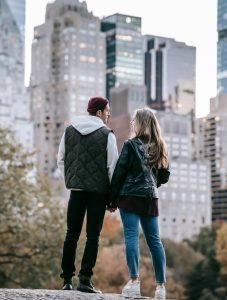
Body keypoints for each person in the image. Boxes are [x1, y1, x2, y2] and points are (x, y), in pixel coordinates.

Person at [57, 96, 118, 293]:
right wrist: (112, 197)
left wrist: (71, 179)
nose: (109, 114)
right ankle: (85, 280)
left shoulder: (69, 130)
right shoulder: (107, 135)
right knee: (93, 236)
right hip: (98, 194)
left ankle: (66, 280)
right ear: (99, 112)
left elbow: (61, 160)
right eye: (107, 110)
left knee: (71, 235)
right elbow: (112, 168)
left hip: (76, 191)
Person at [109, 107, 170, 299]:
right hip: (150, 197)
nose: (132, 123)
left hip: (129, 196)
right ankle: (160, 287)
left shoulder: (130, 144)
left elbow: (119, 173)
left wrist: (111, 199)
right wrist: (151, 184)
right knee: (155, 241)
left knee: (131, 237)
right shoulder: (160, 146)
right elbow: (165, 176)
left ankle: (134, 282)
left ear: (141, 123)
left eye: (135, 120)